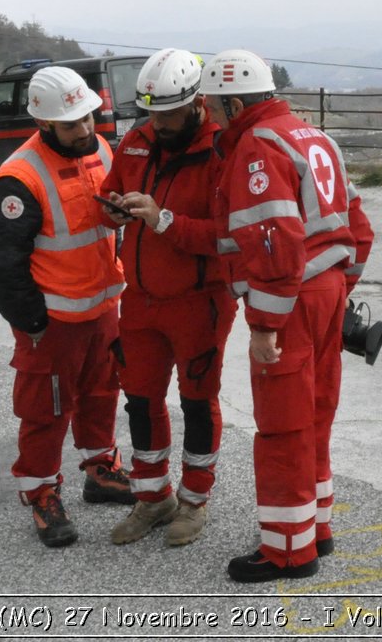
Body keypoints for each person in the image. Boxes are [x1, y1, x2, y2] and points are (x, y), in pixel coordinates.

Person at [201, 49, 374, 583]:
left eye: (211, 107)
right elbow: (358, 224)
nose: (207, 116)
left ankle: (286, 552)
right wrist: (341, 286)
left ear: (233, 104)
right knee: (315, 415)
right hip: (325, 292)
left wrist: (265, 325)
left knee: (281, 426)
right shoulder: (311, 135)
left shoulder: (257, 147)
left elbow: (273, 242)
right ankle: (314, 529)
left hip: (291, 300)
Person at [0, 65, 133, 548]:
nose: (85, 129)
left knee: (103, 393)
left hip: (102, 310)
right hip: (52, 322)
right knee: (45, 411)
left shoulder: (101, 151)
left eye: (88, 117)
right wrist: (32, 323)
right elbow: (1, 264)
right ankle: (41, 492)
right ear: (44, 124)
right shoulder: (19, 178)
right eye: (72, 124)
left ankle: (100, 469)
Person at [97, 48, 236, 547]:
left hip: (200, 301)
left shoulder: (222, 151)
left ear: (197, 103)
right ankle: (154, 498)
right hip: (139, 300)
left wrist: (163, 219)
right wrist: (113, 211)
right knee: (139, 401)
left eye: (170, 113)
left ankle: (195, 503)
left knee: (197, 403)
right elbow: (113, 191)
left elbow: (228, 235)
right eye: (152, 112)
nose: (160, 122)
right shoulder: (136, 140)